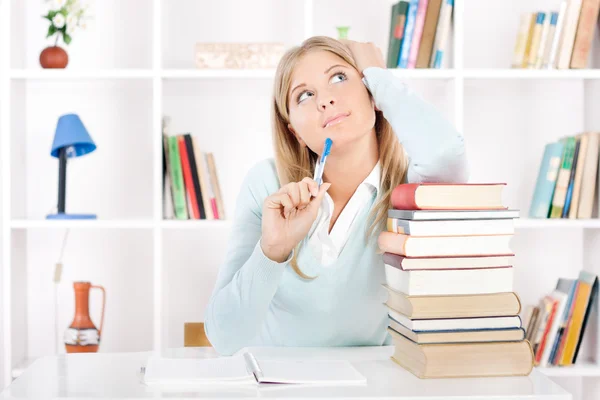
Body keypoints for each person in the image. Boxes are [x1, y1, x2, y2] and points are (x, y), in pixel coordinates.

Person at [204, 36, 469, 356]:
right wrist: (272, 250)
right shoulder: (268, 184)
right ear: (295, 132)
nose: (325, 100)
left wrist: (379, 75)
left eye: (339, 78)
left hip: (372, 383)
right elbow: (224, 337)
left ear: (373, 94)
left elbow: (446, 155)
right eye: (305, 95)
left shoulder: (408, 189)